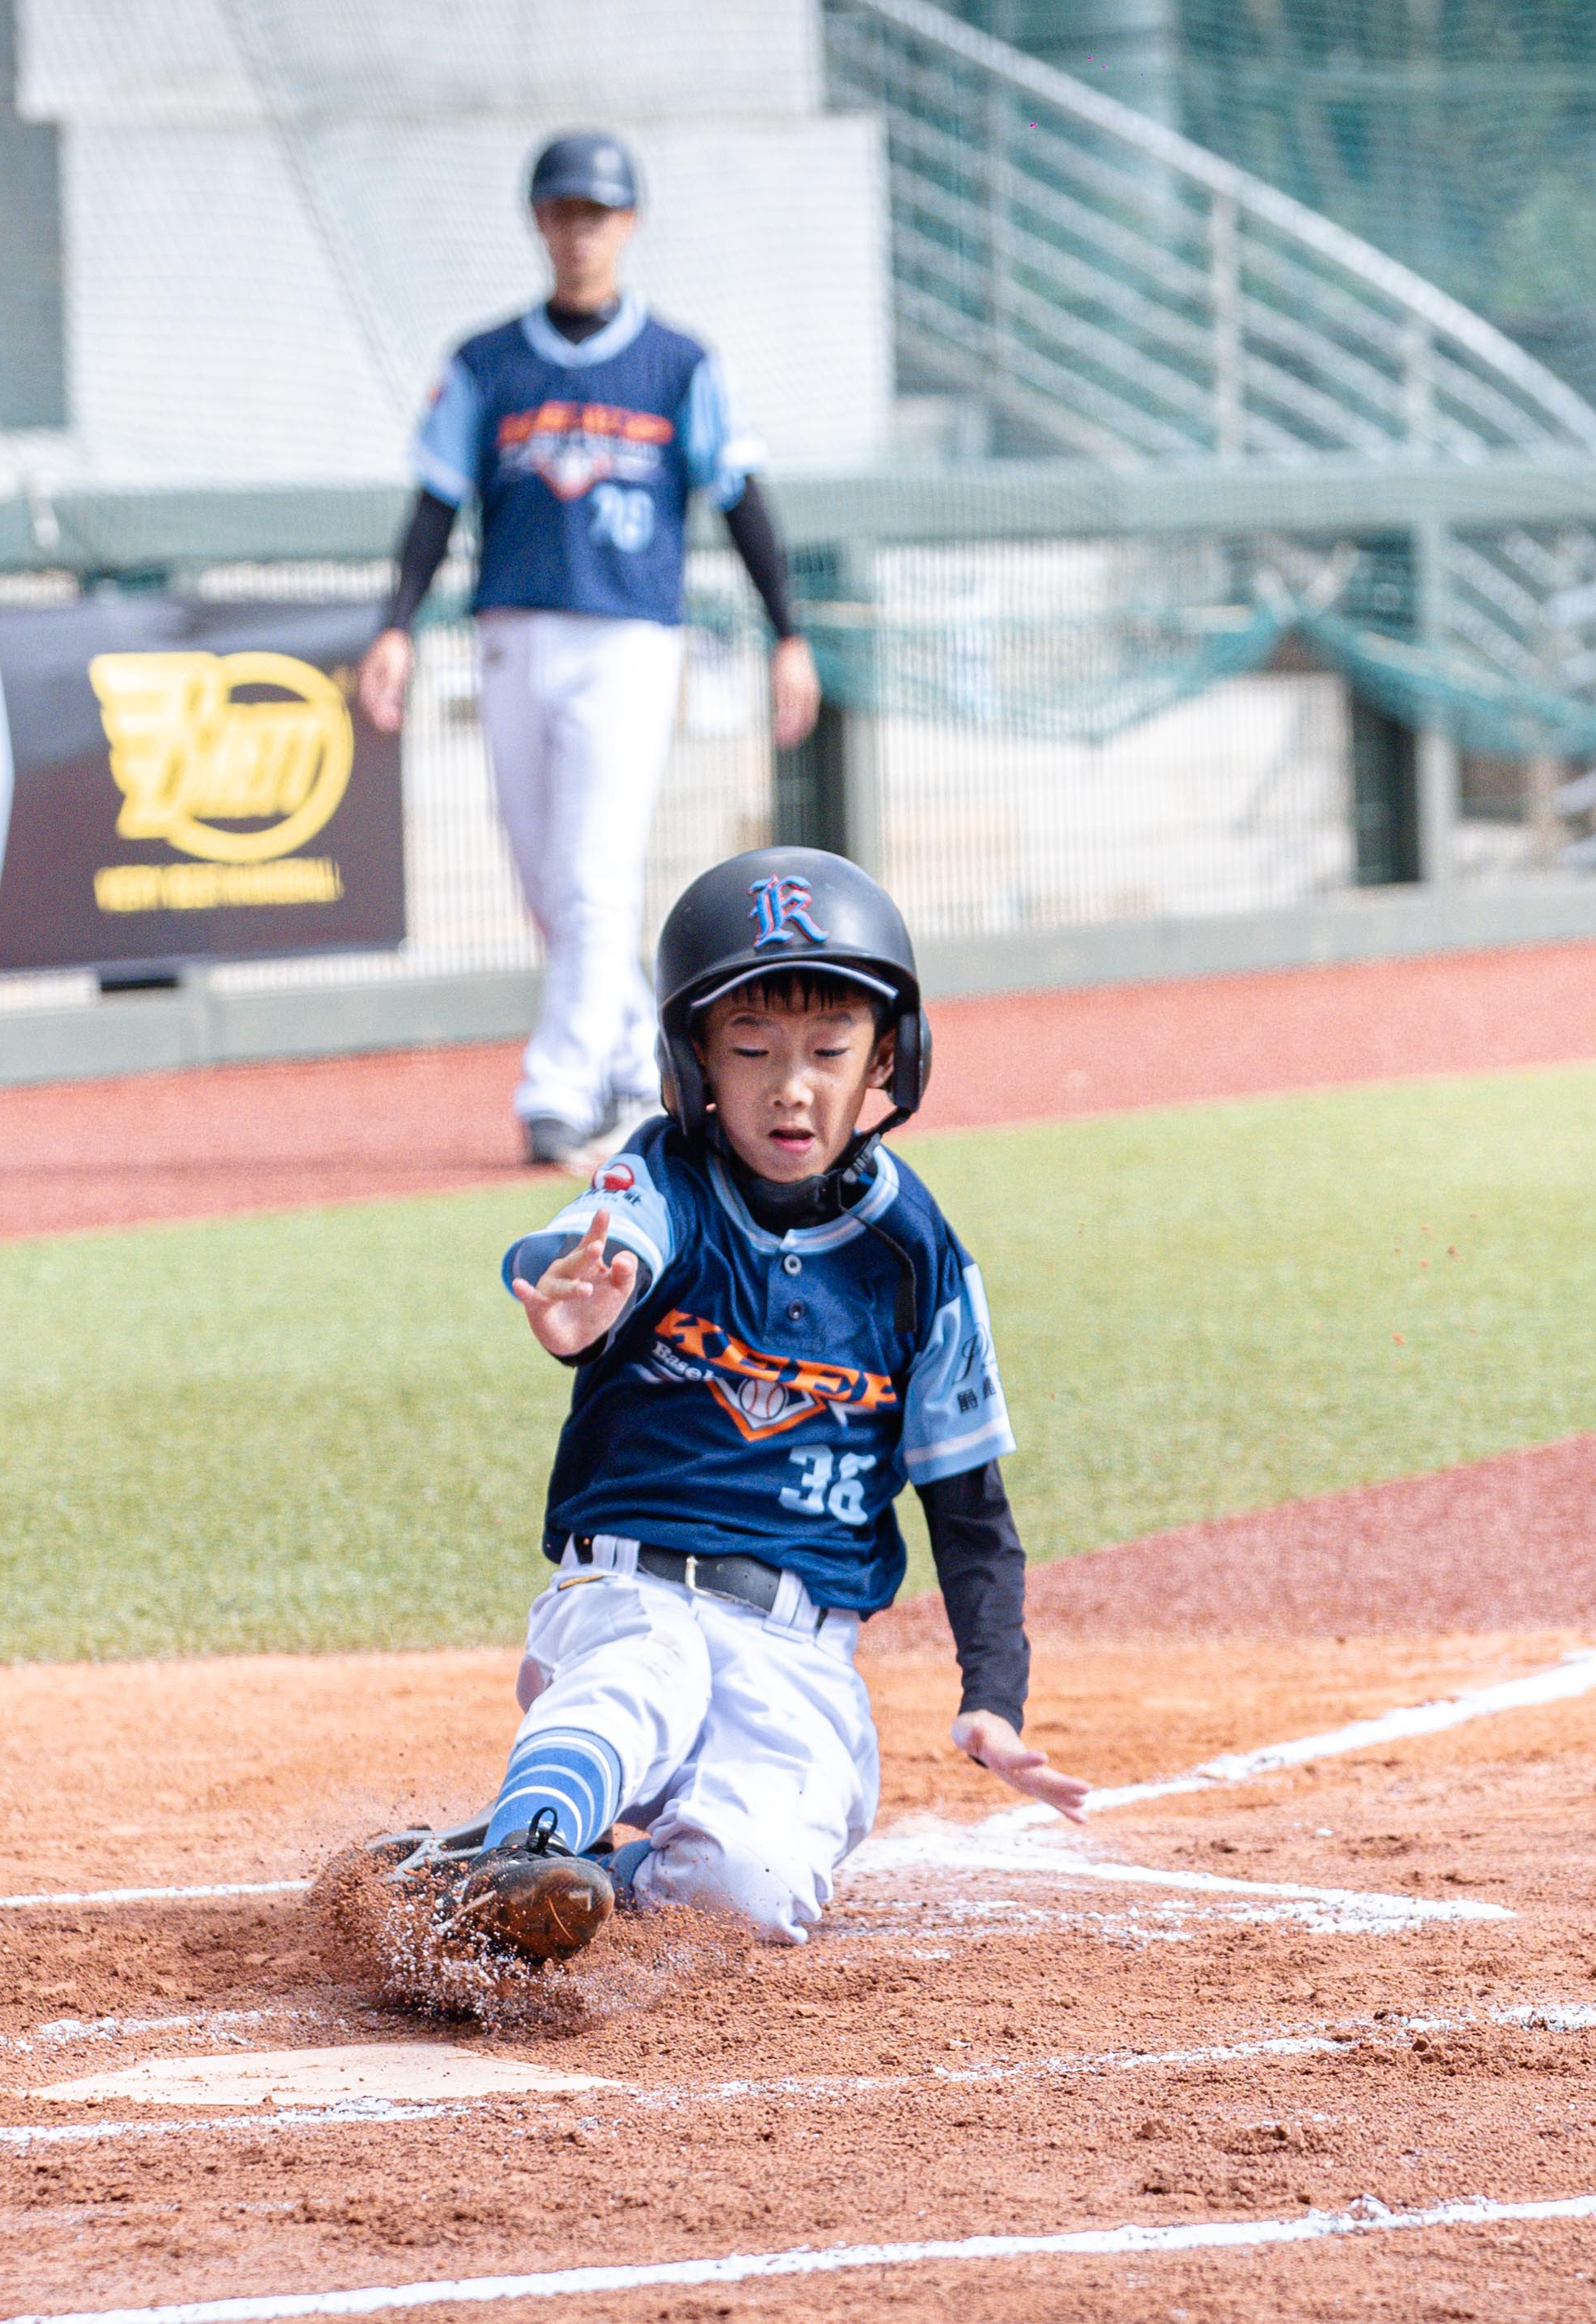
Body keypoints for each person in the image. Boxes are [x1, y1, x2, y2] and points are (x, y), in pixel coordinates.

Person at [370, 848, 1086, 1961]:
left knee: (743, 1898)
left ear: (888, 1058)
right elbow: (594, 1242)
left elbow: (970, 1507)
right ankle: (529, 1842)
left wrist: (993, 1695)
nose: (790, 1084)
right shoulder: (665, 1177)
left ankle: (519, 1874)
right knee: (637, 1683)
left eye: (828, 1051)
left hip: (799, 1649)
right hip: (631, 1586)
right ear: (693, 1062)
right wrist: (571, 1294)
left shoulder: (917, 1257)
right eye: (750, 1049)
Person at [353, 131, 822, 1174]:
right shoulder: (487, 361)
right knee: (546, 881)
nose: (580, 232)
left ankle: (555, 1087)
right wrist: (396, 622)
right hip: (513, 633)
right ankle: (629, 1055)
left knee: (592, 870)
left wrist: (787, 632)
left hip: (627, 638)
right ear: (539, 223)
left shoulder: (677, 361)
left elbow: (740, 495)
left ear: (629, 225)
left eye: (598, 214)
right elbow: (435, 501)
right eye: (564, 212)